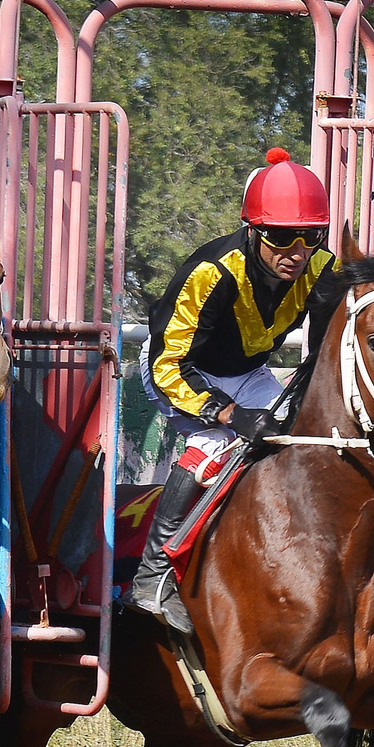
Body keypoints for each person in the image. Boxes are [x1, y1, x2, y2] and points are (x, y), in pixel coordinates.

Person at [130, 147, 336, 632]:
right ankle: (153, 576)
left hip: (248, 371)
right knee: (215, 444)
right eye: (283, 236)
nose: (297, 251)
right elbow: (168, 364)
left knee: (300, 436)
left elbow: (323, 358)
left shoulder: (321, 268)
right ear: (253, 231)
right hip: (180, 370)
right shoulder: (212, 272)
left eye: (310, 236)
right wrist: (227, 414)